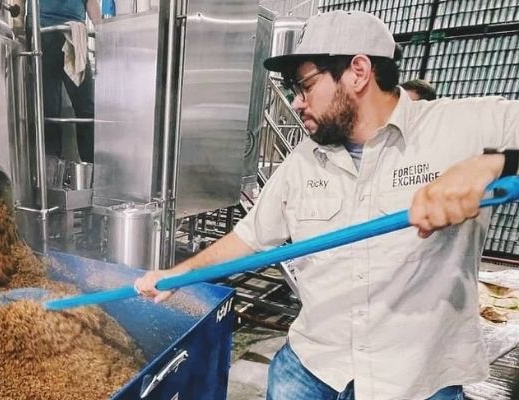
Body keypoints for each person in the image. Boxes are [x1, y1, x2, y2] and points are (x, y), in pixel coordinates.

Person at [136, 10, 519, 400]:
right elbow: (248, 240)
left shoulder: (459, 127)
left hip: (412, 384)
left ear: (358, 71)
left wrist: (495, 164)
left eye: (305, 86)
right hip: (309, 372)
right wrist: (176, 275)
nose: (298, 103)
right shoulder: (303, 160)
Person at [36, 0, 100, 163]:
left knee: (86, 108)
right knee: (49, 107)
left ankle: (89, 168)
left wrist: (101, 28)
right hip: (43, 32)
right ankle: (52, 169)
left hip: (74, 35)